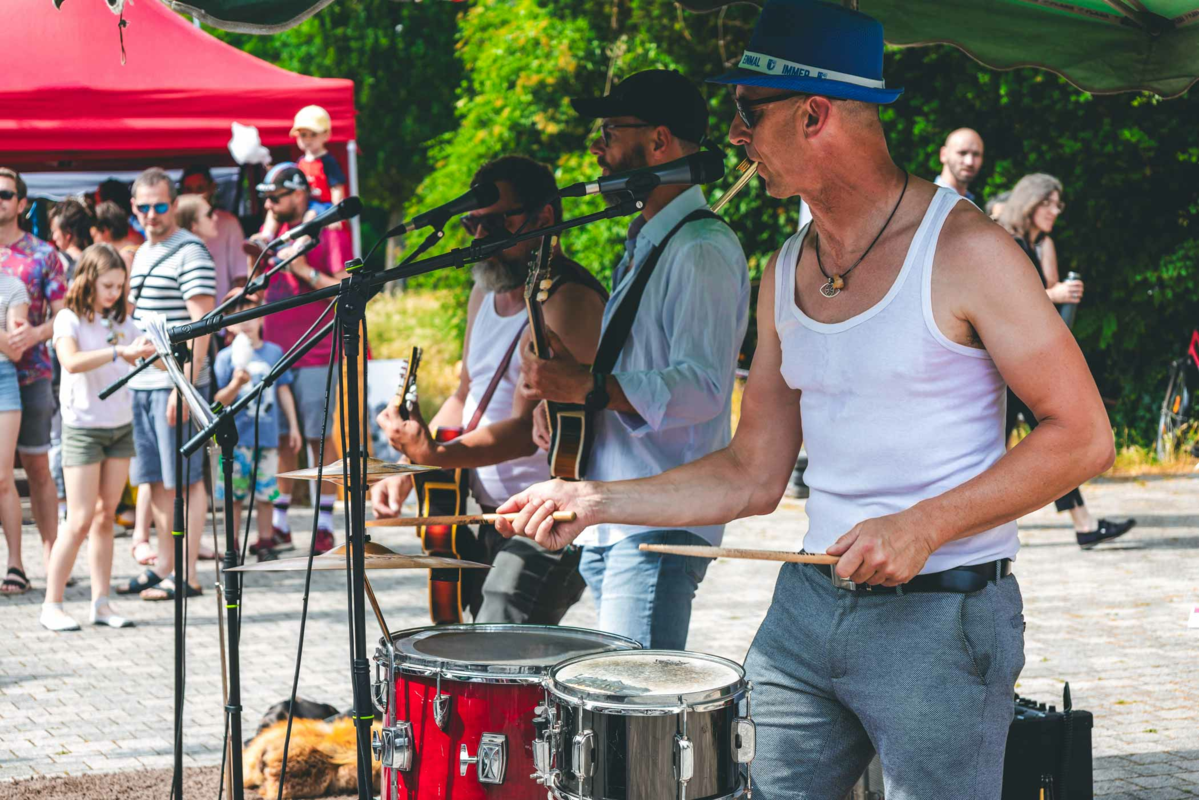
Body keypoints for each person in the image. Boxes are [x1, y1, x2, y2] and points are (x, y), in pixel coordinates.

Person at [495, 2, 1116, 797]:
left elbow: (1082, 436)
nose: (733, 136)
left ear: (813, 114)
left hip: (943, 616)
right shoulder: (784, 269)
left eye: (747, 113)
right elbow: (753, 473)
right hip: (804, 608)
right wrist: (594, 499)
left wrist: (922, 525)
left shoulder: (968, 250)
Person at [510, 70, 750, 649]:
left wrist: (589, 388)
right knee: (625, 687)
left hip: (659, 519)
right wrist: (567, 402)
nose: (598, 150)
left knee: (634, 694)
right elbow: (636, 371)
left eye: (610, 133)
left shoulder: (700, 249)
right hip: (617, 517)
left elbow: (702, 388)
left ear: (659, 141)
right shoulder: (653, 241)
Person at [371, 156, 606, 623]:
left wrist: (436, 455)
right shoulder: (485, 293)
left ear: (544, 217)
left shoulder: (568, 300)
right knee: (480, 643)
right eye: (471, 224)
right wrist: (408, 465)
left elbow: (525, 431)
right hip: (486, 513)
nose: (480, 237)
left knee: (500, 629)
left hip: (550, 516)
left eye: (495, 223)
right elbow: (464, 395)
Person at [999, 172, 1136, 549]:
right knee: (1008, 446)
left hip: (1025, 363)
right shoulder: (1006, 241)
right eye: (1049, 203)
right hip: (1006, 365)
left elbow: (1042, 299)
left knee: (1046, 442)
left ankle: (1084, 524)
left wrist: (1053, 280)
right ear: (1030, 202)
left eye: (1058, 204)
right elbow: (1009, 301)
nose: (1056, 211)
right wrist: (1055, 293)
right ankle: (1082, 524)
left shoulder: (1036, 243)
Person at [41, 244, 156, 630]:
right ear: (88, 280)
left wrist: (155, 349)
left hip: (120, 425)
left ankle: (101, 604)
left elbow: (142, 351)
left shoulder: (123, 319)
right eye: (108, 285)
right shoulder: (68, 318)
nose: (114, 293)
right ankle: (52, 604)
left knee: (106, 517)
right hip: (83, 429)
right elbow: (71, 362)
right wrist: (119, 352)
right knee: (79, 519)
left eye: (120, 286)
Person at [116, 167, 216, 602]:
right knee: (156, 480)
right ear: (134, 207)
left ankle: (188, 574)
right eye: (144, 207)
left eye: (160, 205)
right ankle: (165, 566)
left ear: (174, 205)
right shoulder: (141, 252)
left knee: (186, 481)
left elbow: (203, 324)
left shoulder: (190, 251)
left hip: (176, 383)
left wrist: (184, 385)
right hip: (143, 384)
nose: (152, 214)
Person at [254, 164, 352, 555]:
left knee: (318, 437)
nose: (269, 205)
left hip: (316, 351)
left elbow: (347, 289)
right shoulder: (275, 232)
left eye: (275, 198)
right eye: (265, 198)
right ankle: (280, 523)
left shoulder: (328, 229)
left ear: (299, 194)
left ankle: (324, 524)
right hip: (276, 351)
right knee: (281, 438)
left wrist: (305, 271)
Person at [0, 166, 66, 586]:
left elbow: (64, 317)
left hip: (33, 372)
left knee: (38, 467)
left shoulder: (44, 254)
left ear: (22, 203)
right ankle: (15, 563)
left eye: (5, 194)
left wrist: (36, 334)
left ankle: (53, 559)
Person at [212, 290, 301, 561]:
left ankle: (265, 541)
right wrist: (236, 383)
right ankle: (232, 544)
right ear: (229, 323)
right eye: (238, 316)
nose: (246, 322)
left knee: (266, 494)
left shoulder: (274, 352)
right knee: (234, 495)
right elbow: (218, 401)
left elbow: (284, 390)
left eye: (251, 314)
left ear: (262, 317)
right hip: (236, 440)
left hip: (268, 437)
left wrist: (293, 426)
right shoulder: (225, 357)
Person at [0, 269, 30, 595]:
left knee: (3, 477)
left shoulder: (12, 286)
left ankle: (15, 564)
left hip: (3, 379)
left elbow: (15, 349)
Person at [179, 165, 248, 301]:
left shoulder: (228, 222)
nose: (196, 195)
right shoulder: (174, 231)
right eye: (189, 190)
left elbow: (240, 275)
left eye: (200, 189)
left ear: (212, 188)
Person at [291, 106, 347, 208]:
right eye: (303, 135)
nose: (308, 139)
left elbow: (337, 189)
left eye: (313, 134)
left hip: (325, 207)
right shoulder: (300, 162)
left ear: (326, 135)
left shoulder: (328, 162)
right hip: (305, 206)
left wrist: (336, 211)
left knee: (311, 214)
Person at [933, 127, 984, 203]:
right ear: (943, 154)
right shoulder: (926, 201)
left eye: (976, 154)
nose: (969, 162)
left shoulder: (972, 204)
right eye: (962, 153)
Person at [48, 199, 94, 281]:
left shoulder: (56, 262)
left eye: (54, 231)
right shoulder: (94, 259)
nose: (53, 237)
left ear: (67, 233)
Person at [90, 201, 142, 270]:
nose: (93, 242)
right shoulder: (139, 250)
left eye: (93, 236)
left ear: (105, 231)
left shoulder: (123, 259)